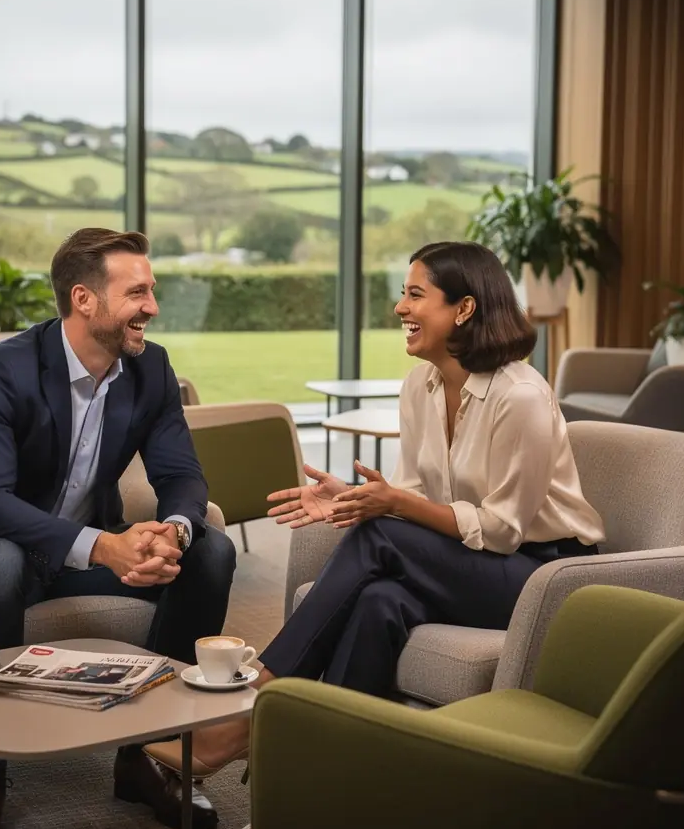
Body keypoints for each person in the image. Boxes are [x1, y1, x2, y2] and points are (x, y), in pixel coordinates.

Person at [144, 239, 605, 779]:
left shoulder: (520, 396)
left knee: (376, 538)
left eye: (415, 295)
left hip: (542, 575)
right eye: (401, 294)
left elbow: (502, 530)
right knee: (379, 602)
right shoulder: (420, 386)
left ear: (464, 307)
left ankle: (255, 706)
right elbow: (417, 496)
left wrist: (393, 505)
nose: (400, 308)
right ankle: (314, 782)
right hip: (473, 562)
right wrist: (357, 497)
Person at [0, 228, 237, 829]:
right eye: (138, 293)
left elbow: (181, 473)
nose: (152, 307)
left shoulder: (150, 367)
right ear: (84, 299)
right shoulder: (0, 369)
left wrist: (175, 532)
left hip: (76, 552)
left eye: (151, 290)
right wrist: (105, 545)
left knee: (213, 551)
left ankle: (146, 760)